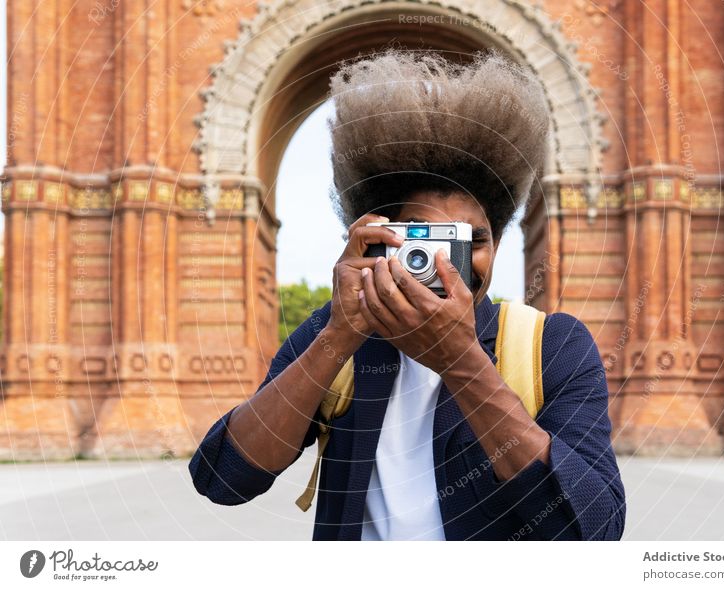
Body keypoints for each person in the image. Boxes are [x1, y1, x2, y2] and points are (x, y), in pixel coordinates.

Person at [189, 48, 626, 541]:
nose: (446, 265)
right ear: (381, 239)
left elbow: (596, 528)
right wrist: (339, 333)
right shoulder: (335, 337)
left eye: (470, 242)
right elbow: (223, 479)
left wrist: (463, 361)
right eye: (425, 244)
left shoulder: (551, 346)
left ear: (499, 244)